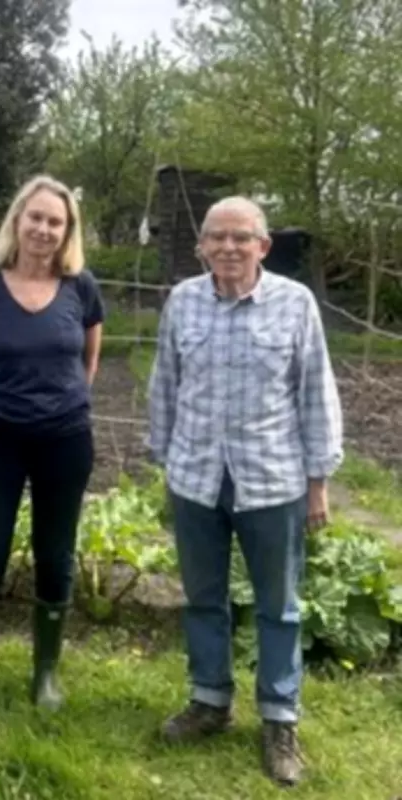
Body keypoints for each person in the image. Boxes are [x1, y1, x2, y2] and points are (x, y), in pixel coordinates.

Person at [147, 196, 343, 787]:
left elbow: (315, 392)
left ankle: (280, 719)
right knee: (203, 598)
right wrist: (166, 463)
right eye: (217, 237)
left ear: (263, 246)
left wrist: (318, 482)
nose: (228, 247)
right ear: (202, 246)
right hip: (196, 477)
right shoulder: (182, 302)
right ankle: (209, 700)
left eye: (241, 237)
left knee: (278, 606)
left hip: (273, 479)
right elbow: (165, 383)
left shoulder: (295, 304)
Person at [0, 174, 105, 710]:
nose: (44, 229)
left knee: (56, 554)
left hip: (65, 439)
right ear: (17, 221)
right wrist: (13, 403)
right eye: (35, 217)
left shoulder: (81, 287)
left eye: (55, 222)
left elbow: (88, 362)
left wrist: (59, 404)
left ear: (67, 232)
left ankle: (46, 673)